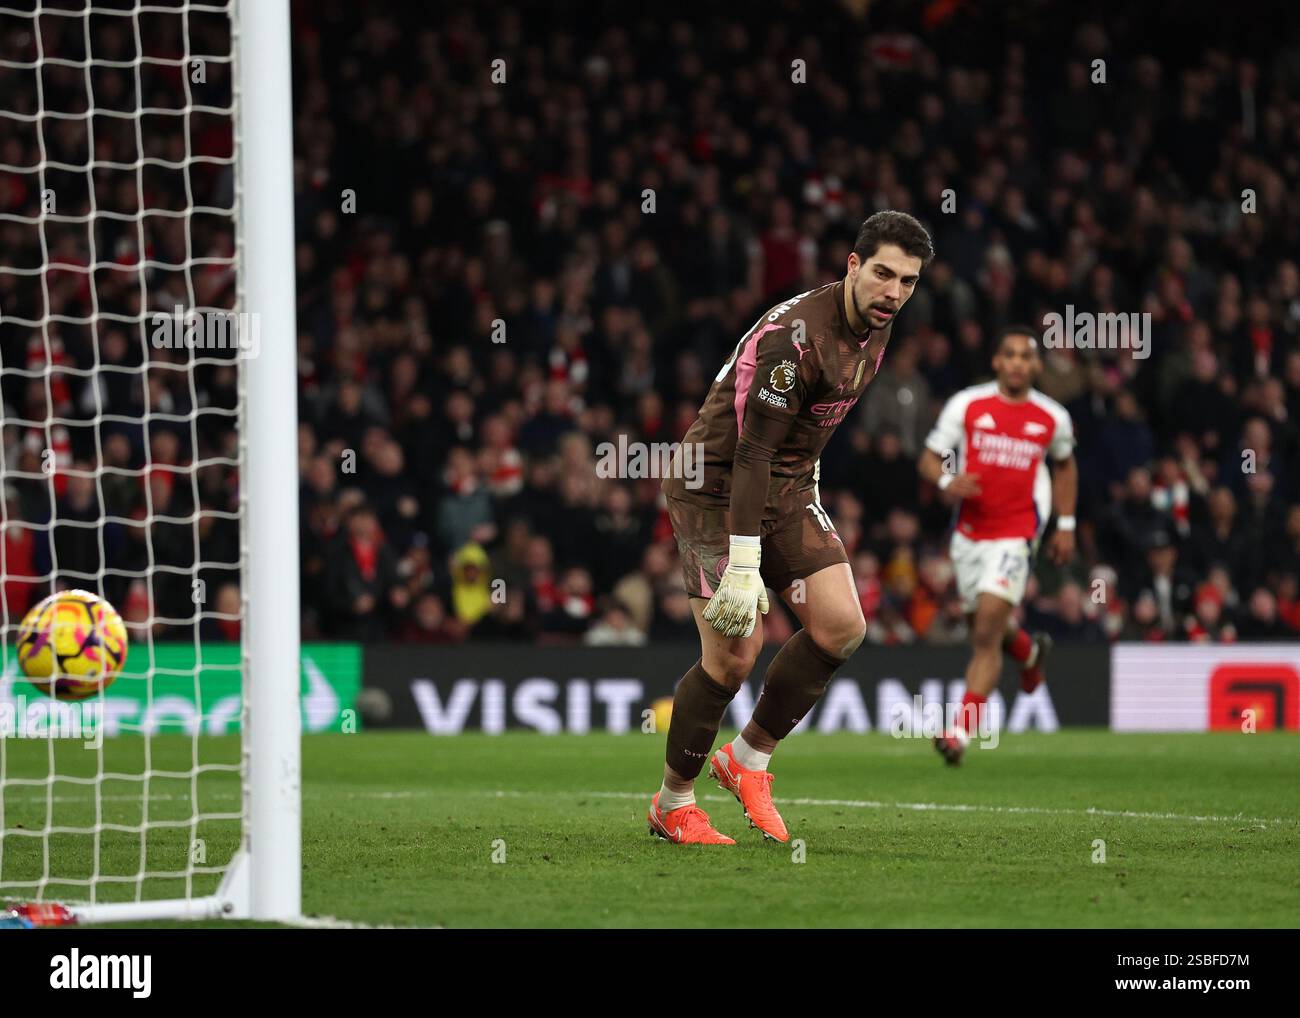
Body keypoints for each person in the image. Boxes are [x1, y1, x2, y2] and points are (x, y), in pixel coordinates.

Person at [647, 210, 934, 844]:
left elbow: (808, 429)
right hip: (715, 487)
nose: (894, 293)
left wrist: (808, 485)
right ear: (852, 265)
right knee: (733, 656)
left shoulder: (877, 328)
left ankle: (747, 760)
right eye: (883, 274)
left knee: (840, 628)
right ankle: (672, 802)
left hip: (786, 485)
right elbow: (750, 452)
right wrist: (745, 564)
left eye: (908, 282)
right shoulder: (797, 337)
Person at [917, 326, 1078, 764]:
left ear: (1036, 365)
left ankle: (959, 733)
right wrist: (950, 480)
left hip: (1017, 532)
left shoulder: (1052, 417)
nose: (1017, 363)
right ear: (997, 361)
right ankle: (1029, 652)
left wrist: (1065, 523)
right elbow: (929, 459)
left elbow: (1065, 467)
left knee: (986, 630)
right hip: (968, 535)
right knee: (988, 628)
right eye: (1009, 355)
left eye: (1026, 356)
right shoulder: (968, 405)